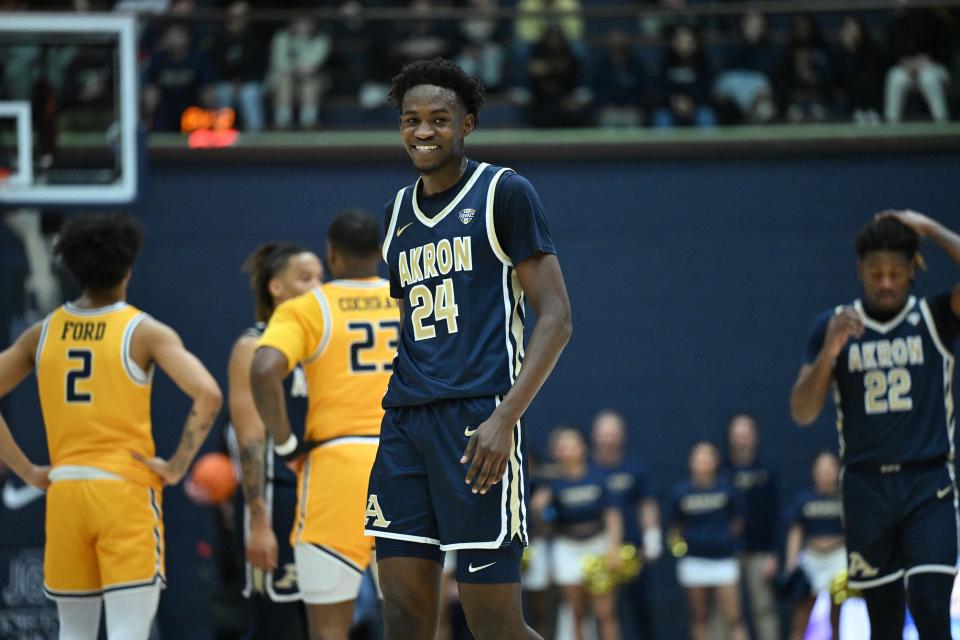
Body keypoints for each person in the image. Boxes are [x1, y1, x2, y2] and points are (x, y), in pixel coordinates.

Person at [364, 57, 572, 640]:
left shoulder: (505, 192)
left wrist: (505, 418)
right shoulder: (396, 214)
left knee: (494, 627)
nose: (423, 131)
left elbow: (555, 318)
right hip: (405, 424)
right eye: (411, 119)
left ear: (468, 124)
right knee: (403, 618)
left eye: (439, 118)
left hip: (477, 423)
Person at [0, 213, 222, 639]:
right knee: (128, 630)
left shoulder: (42, 333)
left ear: (72, 268)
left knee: (74, 632)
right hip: (123, 491)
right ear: (128, 268)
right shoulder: (143, 331)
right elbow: (208, 394)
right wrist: (175, 466)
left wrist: (27, 470)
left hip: (65, 492)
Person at [790, 210, 960, 639]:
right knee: (882, 622)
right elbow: (802, 411)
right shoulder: (835, 325)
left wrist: (930, 229)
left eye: (895, 273)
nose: (885, 282)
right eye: (875, 273)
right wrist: (830, 350)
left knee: (930, 606)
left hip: (929, 485)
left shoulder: (935, 316)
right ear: (859, 271)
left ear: (911, 273)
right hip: (866, 489)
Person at [251, 210, 398, 640]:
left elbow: (263, 370)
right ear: (380, 252)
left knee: (328, 630)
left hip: (336, 466)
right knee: (415, 621)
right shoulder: (410, 298)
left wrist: (284, 444)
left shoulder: (306, 308)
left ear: (331, 255)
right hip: (404, 461)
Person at [227, 243, 323, 639]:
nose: (318, 287)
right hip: (276, 500)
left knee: (325, 625)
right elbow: (249, 440)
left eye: (321, 277)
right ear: (276, 288)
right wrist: (259, 521)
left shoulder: (324, 340)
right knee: (276, 628)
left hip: (322, 500)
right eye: (306, 278)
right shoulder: (253, 346)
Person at [531, 426, 623, 640]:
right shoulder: (552, 483)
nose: (567, 449)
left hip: (598, 545)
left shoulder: (598, 476)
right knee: (577, 613)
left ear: (582, 447)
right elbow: (545, 527)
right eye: (562, 445)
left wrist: (614, 547)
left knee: (605, 612)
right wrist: (538, 510)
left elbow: (612, 514)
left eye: (571, 444)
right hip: (567, 547)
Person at [591, 410, 660, 640]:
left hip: (633, 551)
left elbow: (647, 504)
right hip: (597, 551)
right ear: (595, 435)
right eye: (604, 433)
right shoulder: (588, 469)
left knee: (640, 608)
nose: (608, 438)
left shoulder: (634, 468)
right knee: (605, 612)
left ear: (622, 435)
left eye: (613, 432)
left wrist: (652, 536)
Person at [669, 441, 748, 640]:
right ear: (691, 462)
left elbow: (738, 522)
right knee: (700, 617)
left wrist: (723, 540)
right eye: (698, 458)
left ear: (715, 462)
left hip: (723, 560)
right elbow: (674, 527)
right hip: (694, 561)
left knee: (734, 618)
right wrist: (681, 548)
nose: (702, 462)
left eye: (707, 457)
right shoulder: (681, 493)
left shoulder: (726, 490)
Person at [722, 414, 779, 640]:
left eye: (745, 433)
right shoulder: (721, 470)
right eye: (737, 434)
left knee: (764, 607)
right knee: (727, 612)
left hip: (760, 549)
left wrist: (774, 552)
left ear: (754, 436)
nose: (741, 439)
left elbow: (775, 513)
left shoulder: (766, 471)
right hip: (727, 551)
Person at [784, 451, 844, 640]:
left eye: (830, 469)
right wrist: (791, 565)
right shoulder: (804, 499)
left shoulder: (846, 498)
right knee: (800, 618)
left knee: (837, 618)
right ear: (813, 472)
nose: (826, 474)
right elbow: (795, 532)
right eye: (821, 469)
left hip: (839, 560)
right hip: (812, 560)